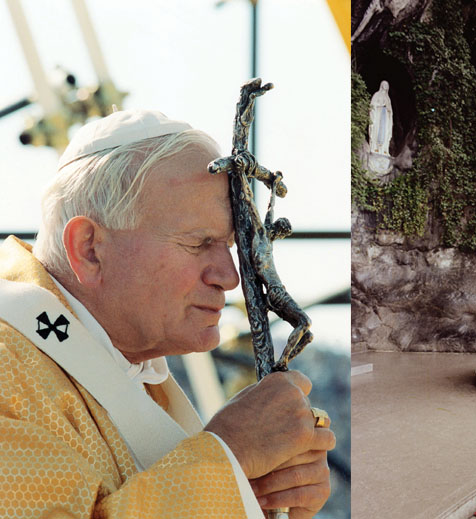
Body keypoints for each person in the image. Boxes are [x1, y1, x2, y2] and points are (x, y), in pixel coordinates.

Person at [0, 109, 335, 518]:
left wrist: (254, 498)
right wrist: (226, 457)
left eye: (227, 245)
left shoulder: (139, 376)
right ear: (90, 249)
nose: (229, 277)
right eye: (199, 243)